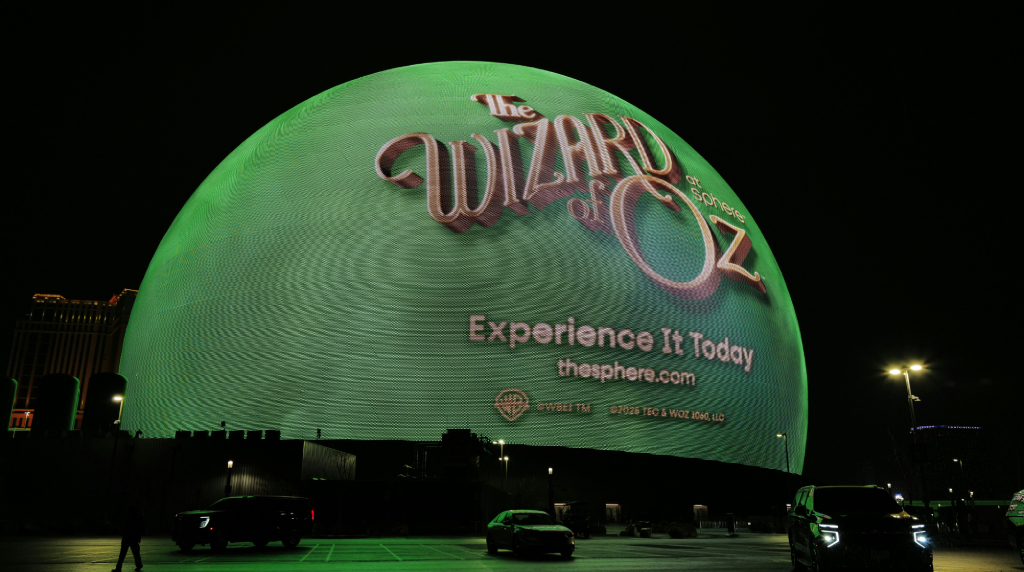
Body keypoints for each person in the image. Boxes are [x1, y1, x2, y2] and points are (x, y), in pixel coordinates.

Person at [113, 502, 144, 571]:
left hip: (127, 538)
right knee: (136, 553)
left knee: (122, 554)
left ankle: (118, 567)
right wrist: (139, 537)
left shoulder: (128, 518)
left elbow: (125, 528)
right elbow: (141, 529)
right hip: (134, 538)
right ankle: (139, 565)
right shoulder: (139, 518)